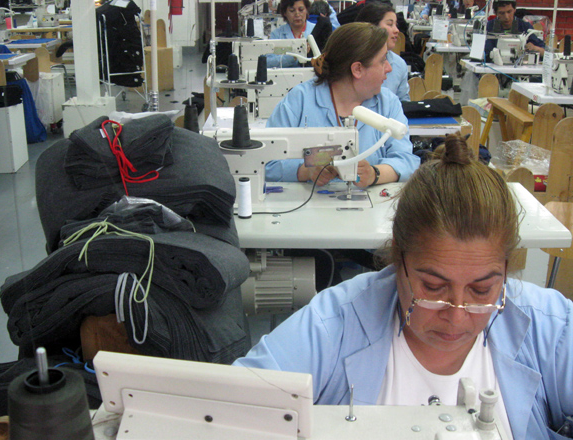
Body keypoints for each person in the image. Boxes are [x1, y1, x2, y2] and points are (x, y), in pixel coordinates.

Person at [234, 134, 573, 439]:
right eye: (433, 287)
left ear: (506, 268)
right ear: (398, 256)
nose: (457, 318)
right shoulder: (334, 325)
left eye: (482, 291)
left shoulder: (551, 329)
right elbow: (230, 412)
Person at [265, 22, 419, 188]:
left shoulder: (388, 103)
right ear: (357, 69)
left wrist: (374, 174)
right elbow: (266, 162)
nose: (389, 68)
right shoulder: (300, 100)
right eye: (383, 61)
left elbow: (407, 160)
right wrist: (306, 171)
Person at [356, 3, 410, 101]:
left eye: (396, 25)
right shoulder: (351, 59)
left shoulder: (399, 64)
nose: (397, 30)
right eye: (390, 24)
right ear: (371, 26)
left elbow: (404, 102)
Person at [267, 0, 315, 68]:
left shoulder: (316, 30)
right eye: (292, 11)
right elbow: (268, 62)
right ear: (284, 13)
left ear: (307, 10)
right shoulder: (277, 34)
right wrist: (293, 56)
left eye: (301, 10)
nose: (297, 14)